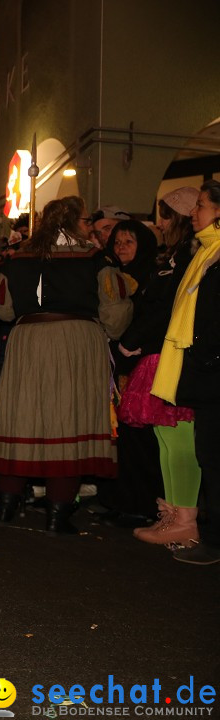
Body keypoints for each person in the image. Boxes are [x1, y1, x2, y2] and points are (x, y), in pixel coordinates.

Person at [0, 196, 132, 534]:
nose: (89, 226)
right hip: (76, 341)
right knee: (70, 420)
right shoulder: (96, 258)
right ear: (70, 222)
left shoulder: (17, 259)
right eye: (84, 220)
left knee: (19, 419)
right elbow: (115, 310)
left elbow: (2, 309)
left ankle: (6, 507)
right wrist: (110, 333)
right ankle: (57, 514)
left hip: (28, 340)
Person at [154, 180, 220, 564]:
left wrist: (204, 356)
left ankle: (211, 538)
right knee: (208, 454)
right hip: (206, 372)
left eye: (201, 206)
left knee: (212, 456)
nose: (193, 213)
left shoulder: (213, 255)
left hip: (212, 372)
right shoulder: (206, 253)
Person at [96, 220, 171, 529]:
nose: (122, 247)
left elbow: (152, 320)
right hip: (114, 363)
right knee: (116, 439)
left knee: (139, 440)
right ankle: (119, 500)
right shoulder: (109, 276)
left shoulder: (152, 279)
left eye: (129, 241)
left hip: (139, 365)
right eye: (117, 242)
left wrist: (131, 344)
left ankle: (143, 504)